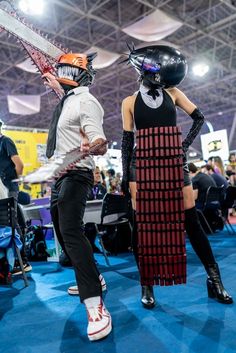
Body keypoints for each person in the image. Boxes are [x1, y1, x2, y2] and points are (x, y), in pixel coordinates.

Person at [121, 45, 233, 308]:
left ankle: (214, 279)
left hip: (174, 164)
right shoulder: (128, 102)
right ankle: (146, 284)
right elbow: (127, 143)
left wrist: (182, 148)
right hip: (142, 165)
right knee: (142, 228)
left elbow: (199, 118)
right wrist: (127, 177)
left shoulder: (174, 93)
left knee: (191, 222)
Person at [42, 52, 112, 341]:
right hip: (60, 177)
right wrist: (53, 81)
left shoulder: (86, 101)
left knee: (71, 231)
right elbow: (66, 97)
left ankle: (95, 305)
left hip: (77, 173)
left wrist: (96, 145)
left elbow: (98, 138)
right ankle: (94, 276)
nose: (62, 72)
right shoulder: (69, 99)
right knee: (62, 231)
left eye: (65, 69)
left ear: (78, 74)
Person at [0, 121, 32, 275]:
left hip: (9, 189)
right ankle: (12, 262)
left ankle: (23, 261)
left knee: (12, 223)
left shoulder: (5, 141)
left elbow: (19, 164)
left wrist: (15, 183)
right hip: (2, 189)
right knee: (7, 223)